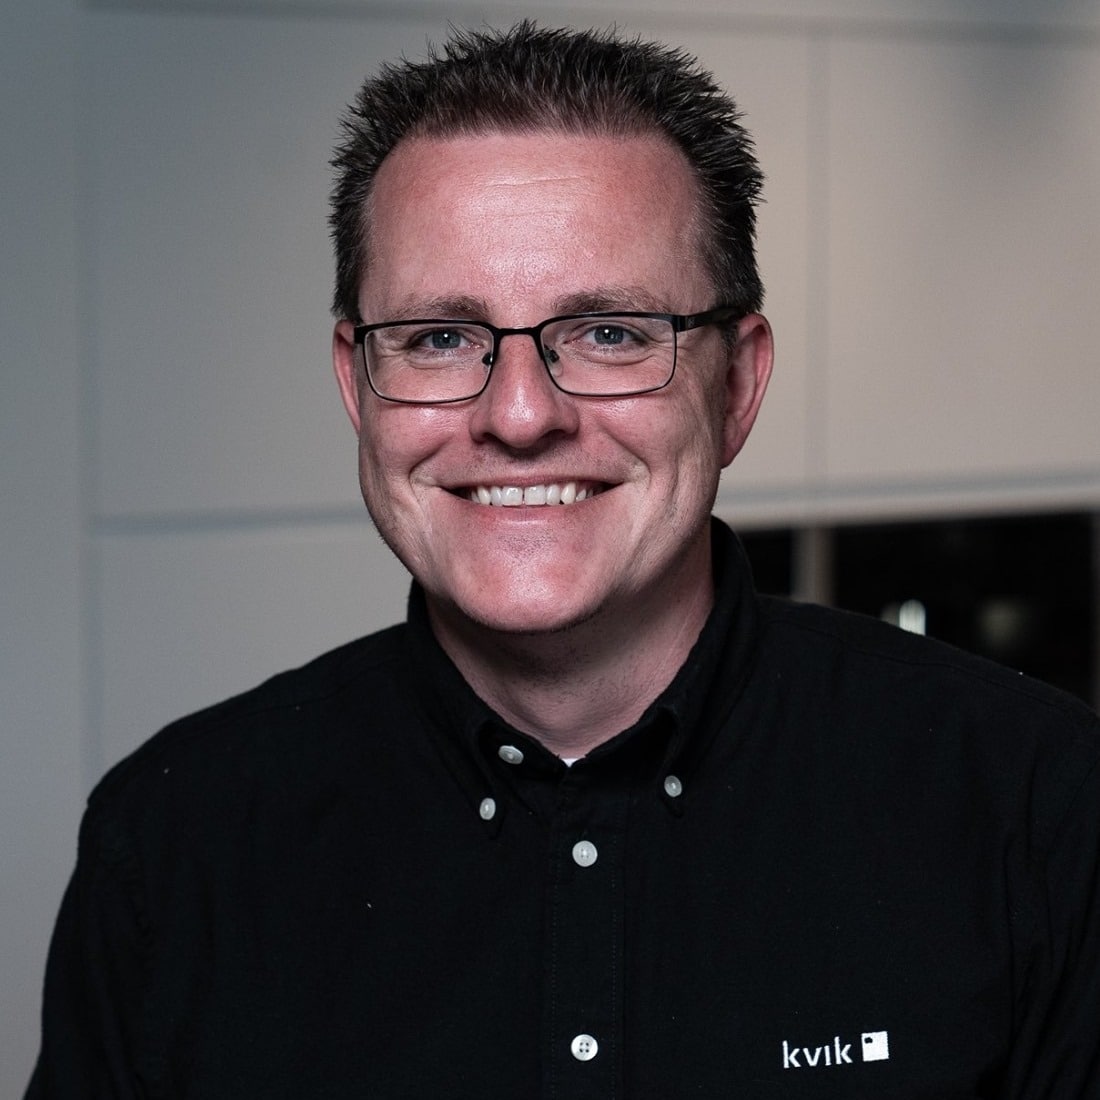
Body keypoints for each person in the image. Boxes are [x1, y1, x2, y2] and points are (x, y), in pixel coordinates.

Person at [27, 21, 1100, 1098]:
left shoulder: (1034, 807)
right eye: (441, 337)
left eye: (610, 332)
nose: (520, 413)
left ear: (735, 387)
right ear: (359, 385)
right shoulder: (174, 845)